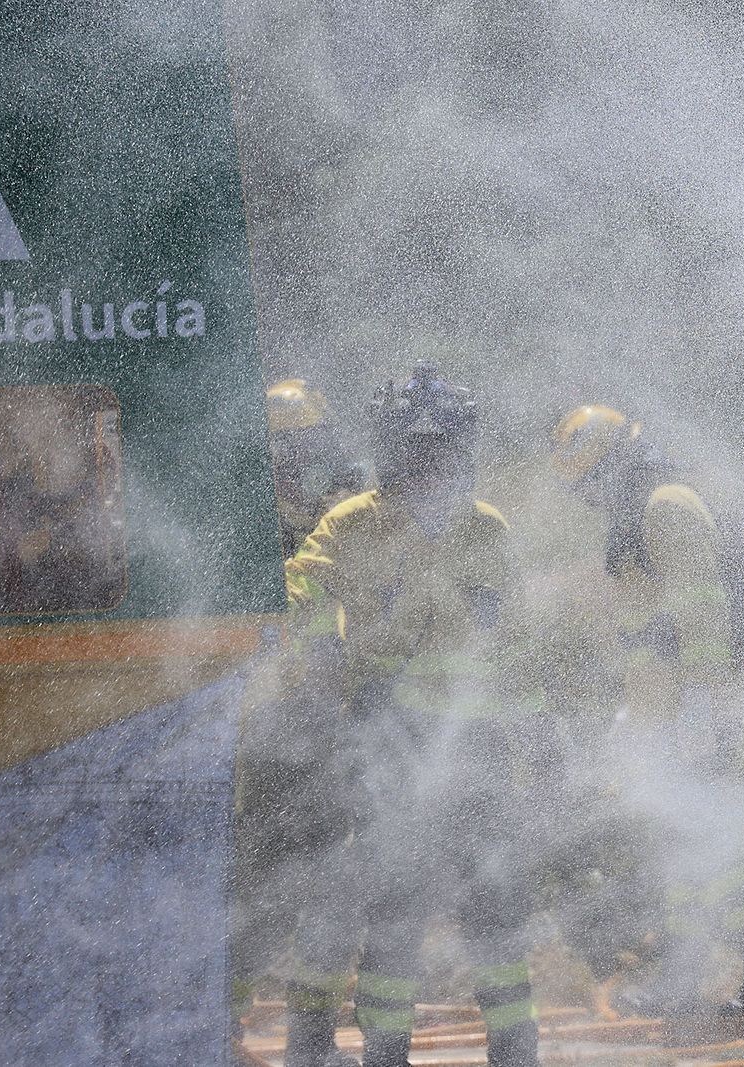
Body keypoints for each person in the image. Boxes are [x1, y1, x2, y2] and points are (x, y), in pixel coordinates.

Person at [285, 362, 549, 1067]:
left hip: (477, 746)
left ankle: (517, 1052)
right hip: (389, 741)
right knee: (397, 906)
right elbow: (302, 581)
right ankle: (386, 1053)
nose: (427, 465)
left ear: (464, 449)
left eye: (442, 449)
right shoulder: (353, 523)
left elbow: (520, 647)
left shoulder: (488, 529)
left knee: (494, 906)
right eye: (413, 449)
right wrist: (322, 660)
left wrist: (539, 740)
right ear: (389, 449)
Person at [547, 405, 744, 1017]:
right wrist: (636, 718)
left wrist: (700, 710)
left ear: (617, 465)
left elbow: (701, 618)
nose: (590, 498)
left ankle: (706, 982)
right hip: (670, 713)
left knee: (696, 847)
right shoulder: (641, 516)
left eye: (594, 483)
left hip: (696, 711)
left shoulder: (665, 507)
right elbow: (651, 637)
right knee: (692, 847)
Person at [230, 378, 370, 1067]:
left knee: (335, 893)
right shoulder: (252, 539)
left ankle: (311, 1042)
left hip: (327, 728)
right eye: (292, 452)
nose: (308, 466)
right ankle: (214, 1025)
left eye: (314, 448)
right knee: (262, 893)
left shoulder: (335, 523)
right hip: (272, 737)